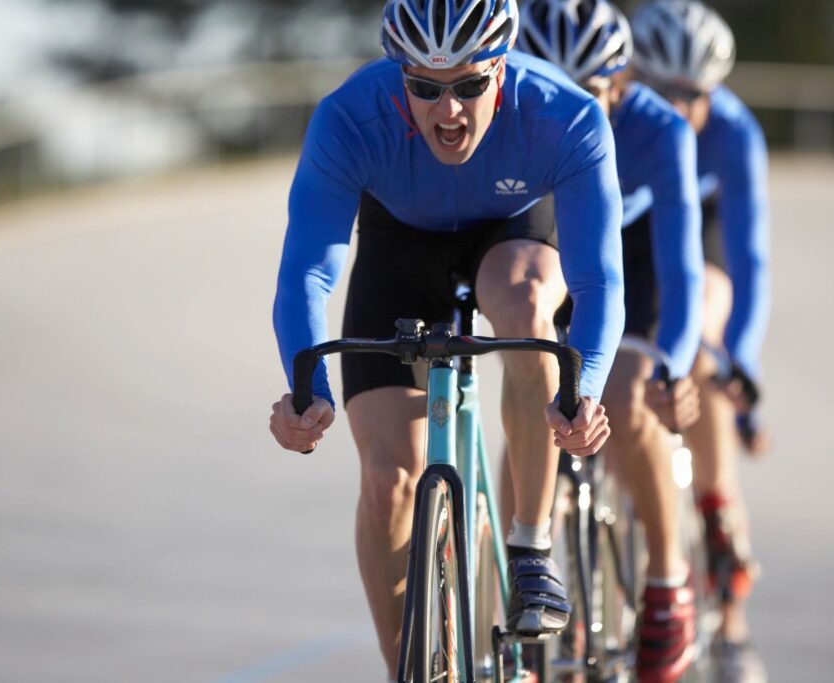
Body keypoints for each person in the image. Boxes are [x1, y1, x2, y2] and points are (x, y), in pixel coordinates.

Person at [268, 0, 625, 678]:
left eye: (469, 85)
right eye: (425, 87)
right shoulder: (350, 118)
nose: (448, 110)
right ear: (398, 74)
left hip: (513, 232)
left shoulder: (565, 115)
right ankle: (404, 665)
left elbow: (599, 280)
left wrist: (587, 395)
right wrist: (304, 389)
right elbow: (307, 272)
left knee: (524, 304)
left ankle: (529, 545)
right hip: (399, 245)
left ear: (503, 68)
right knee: (386, 482)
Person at [515, 1, 704, 680]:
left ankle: (666, 583)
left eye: (585, 94)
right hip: (552, 239)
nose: (559, 109)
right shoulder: (507, 121)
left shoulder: (660, 132)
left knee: (625, 395)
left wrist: (674, 366)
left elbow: (684, 267)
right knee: (529, 395)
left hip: (636, 252)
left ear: (620, 89)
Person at [631, 1, 770, 680]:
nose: (681, 108)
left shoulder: (735, 134)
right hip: (636, 230)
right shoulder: (618, 112)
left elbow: (749, 259)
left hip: (702, 232)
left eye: (697, 96)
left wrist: (739, 364)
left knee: (705, 336)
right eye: (665, 92)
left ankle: (717, 521)